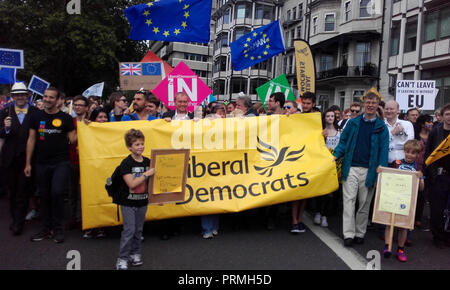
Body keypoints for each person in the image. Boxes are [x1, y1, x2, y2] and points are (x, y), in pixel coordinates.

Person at [333, 91, 389, 247]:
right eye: (368, 102)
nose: (370, 105)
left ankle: (360, 232)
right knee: (349, 201)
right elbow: (343, 142)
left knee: (364, 204)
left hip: (369, 170)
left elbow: (384, 151)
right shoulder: (353, 122)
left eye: (373, 103)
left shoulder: (381, 127)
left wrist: (380, 172)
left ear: (377, 105)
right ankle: (348, 234)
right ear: (364, 103)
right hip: (350, 167)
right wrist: (336, 155)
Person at [25, 87, 77, 244]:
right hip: (41, 163)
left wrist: (83, 125)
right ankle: (46, 229)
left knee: (57, 193)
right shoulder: (35, 116)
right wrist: (27, 163)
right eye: (45, 96)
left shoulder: (66, 118)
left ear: (57, 100)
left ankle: (58, 228)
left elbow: (73, 140)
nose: (47, 99)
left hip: (61, 162)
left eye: (51, 97)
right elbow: (32, 139)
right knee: (44, 195)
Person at [0, 83, 39, 236]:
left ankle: (18, 222)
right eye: (17, 95)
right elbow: (1, 134)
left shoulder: (35, 112)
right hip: (9, 160)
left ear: (27, 95)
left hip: (28, 159)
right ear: (13, 96)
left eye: (23, 94)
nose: (20, 97)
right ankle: (15, 217)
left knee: (23, 191)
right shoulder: (4, 112)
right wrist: (6, 128)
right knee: (13, 191)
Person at [115, 129, 155, 270]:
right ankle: (122, 258)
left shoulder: (148, 161)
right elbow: (131, 183)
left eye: (142, 143)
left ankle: (135, 253)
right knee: (129, 230)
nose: (140, 147)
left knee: (138, 230)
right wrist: (146, 174)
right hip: (128, 202)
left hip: (142, 201)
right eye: (137, 144)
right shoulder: (126, 163)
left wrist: (158, 197)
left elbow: (153, 183)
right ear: (129, 147)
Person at [382, 139, 425, 262]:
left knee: (403, 227)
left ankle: (400, 249)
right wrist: (381, 170)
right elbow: (387, 176)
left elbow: (421, 189)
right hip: (393, 198)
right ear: (404, 151)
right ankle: (387, 246)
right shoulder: (396, 163)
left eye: (413, 153)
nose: (410, 155)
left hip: (408, 201)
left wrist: (421, 179)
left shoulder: (419, 168)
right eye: (407, 151)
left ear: (417, 155)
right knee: (390, 223)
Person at [424, 103, 450, 249]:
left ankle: (447, 235)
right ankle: (438, 236)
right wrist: (430, 175)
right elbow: (429, 153)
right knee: (437, 209)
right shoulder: (436, 131)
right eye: (447, 114)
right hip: (439, 176)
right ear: (442, 116)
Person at [290, 92, 316, 234]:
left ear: (313, 104)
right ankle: (294, 221)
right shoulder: (296, 117)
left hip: (310, 159)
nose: (305, 106)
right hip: (296, 159)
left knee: (305, 193)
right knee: (296, 193)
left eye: (308, 103)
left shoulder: (317, 118)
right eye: (303, 103)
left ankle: (299, 220)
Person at [313, 108, 341, 228]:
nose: (330, 118)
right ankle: (318, 212)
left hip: (335, 165)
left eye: (332, 116)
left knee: (331, 192)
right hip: (323, 164)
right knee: (321, 191)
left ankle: (325, 215)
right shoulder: (321, 132)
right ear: (324, 118)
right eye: (328, 116)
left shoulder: (340, 132)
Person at [67, 95, 90, 231]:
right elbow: (72, 140)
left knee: (86, 191)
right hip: (73, 161)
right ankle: (73, 218)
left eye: (80, 105)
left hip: (88, 162)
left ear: (86, 108)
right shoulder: (70, 122)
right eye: (75, 105)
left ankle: (85, 218)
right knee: (73, 191)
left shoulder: (92, 123)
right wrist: (81, 126)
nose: (77, 107)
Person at [413, 114, 433, 229]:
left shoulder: (433, 135)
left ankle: (418, 218)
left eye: (431, 121)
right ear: (422, 124)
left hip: (426, 168)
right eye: (428, 121)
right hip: (415, 167)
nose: (430, 123)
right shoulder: (416, 135)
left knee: (422, 193)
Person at [384, 100, 415, 167]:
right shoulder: (380, 125)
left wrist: (389, 143)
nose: (389, 111)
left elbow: (409, 144)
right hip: (385, 163)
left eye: (391, 109)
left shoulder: (407, 124)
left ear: (398, 110)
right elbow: (380, 144)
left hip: (404, 163)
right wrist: (393, 133)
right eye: (386, 109)